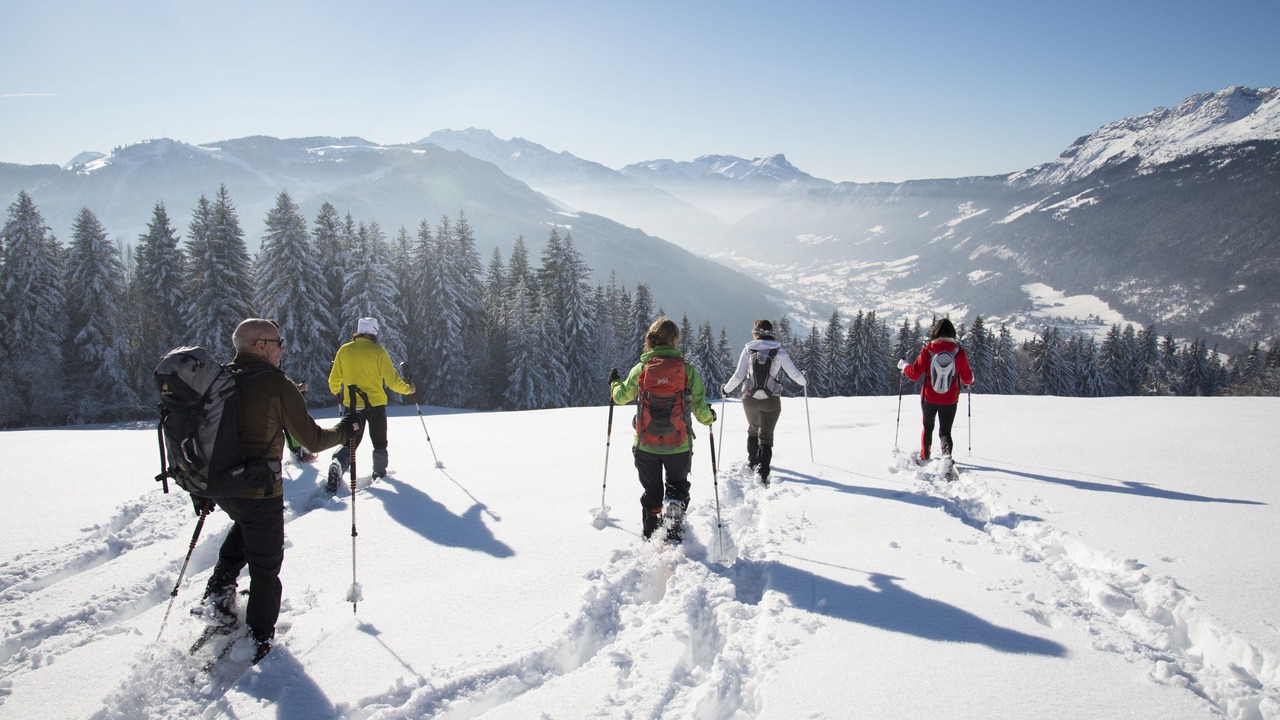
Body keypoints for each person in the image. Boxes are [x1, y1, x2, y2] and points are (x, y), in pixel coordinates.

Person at [200, 318, 358, 663]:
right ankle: (257, 638)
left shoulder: (219, 379)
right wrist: (346, 430)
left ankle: (218, 601)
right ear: (260, 346)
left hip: (221, 487)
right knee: (266, 566)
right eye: (278, 342)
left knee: (243, 529)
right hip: (259, 489)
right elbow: (313, 439)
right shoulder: (275, 384)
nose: (282, 349)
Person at [610, 317, 716, 542]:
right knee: (677, 487)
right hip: (678, 445)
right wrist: (710, 417)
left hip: (645, 444)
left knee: (652, 493)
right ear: (674, 341)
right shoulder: (687, 371)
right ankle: (674, 516)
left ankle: (651, 536)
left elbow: (620, 397)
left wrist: (614, 383)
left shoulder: (642, 368)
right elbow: (700, 411)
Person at [327, 317, 414, 492]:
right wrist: (408, 389)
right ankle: (379, 473)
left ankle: (339, 463)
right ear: (374, 332)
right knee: (379, 441)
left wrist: (336, 390)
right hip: (375, 406)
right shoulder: (379, 352)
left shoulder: (344, 350)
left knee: (351, 441)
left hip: (353, 406)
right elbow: (392, 381)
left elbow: (334, 380)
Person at [721, 319, 807, 485]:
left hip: (749, 399)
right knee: (766, 436)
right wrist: (804, 381)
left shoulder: (748, 349)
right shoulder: (779, 351)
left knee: (753, 429)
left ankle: (753, 462)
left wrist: (725, 389)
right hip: (771, 400)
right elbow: (795, 375)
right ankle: (762, 471)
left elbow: (738, 376)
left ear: (756, 333)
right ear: (771, 332)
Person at [898, 318, 974, 464]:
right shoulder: (959, 352)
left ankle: (925, 455)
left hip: (929, 398)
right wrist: (970, 379)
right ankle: (946, 457)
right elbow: (967, 379)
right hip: (950, 399)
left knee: (928, 427)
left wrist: (904, 366)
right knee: (945, 431)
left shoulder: (928, 351)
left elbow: (914, 374)